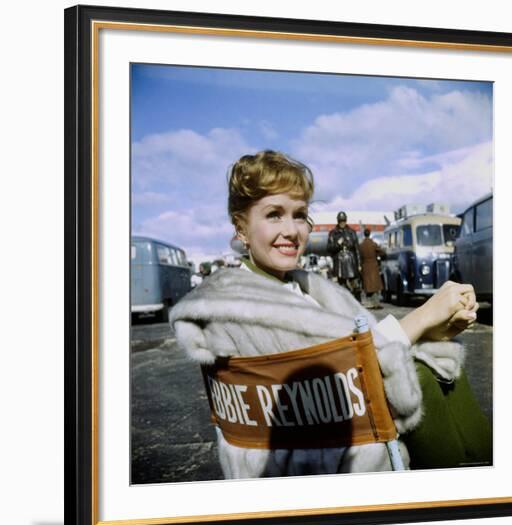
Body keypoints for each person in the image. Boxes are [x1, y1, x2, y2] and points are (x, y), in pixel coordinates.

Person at [170, 150, 487, 479]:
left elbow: (354, 351)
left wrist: (434, 330)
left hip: (345, 439)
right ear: (241, 228)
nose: (292, 231)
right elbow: (335, 381)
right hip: (331, 460)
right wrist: (420, 318)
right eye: (274, 215)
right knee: (423, 376)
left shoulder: (302, 286)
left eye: (299, 215)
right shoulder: (236, 312)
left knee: (440, 364)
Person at [327, 211, 363, 301]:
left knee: (355, 284)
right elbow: (329, 248)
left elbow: (357, 249)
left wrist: (359, 264)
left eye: (343, 220)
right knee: (342, 285)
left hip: (351, 260)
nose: (342, 223)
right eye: (340, 221)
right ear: (338, 221)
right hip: (339, 261)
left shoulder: (351, 232)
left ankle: (358, 302)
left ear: (346, 220)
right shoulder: (333, 233)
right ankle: (345, 303)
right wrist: (337, 244)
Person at [359, 228, 385, 309]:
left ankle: (369, 303)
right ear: (369, 234)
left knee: (367, 286)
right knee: (374, 286)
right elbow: (382, 252)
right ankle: (376, 303)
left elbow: (359, 256)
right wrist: (377, 256)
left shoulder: (361, 245)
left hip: (365, 266)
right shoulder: (373, 244)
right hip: (373, 265)